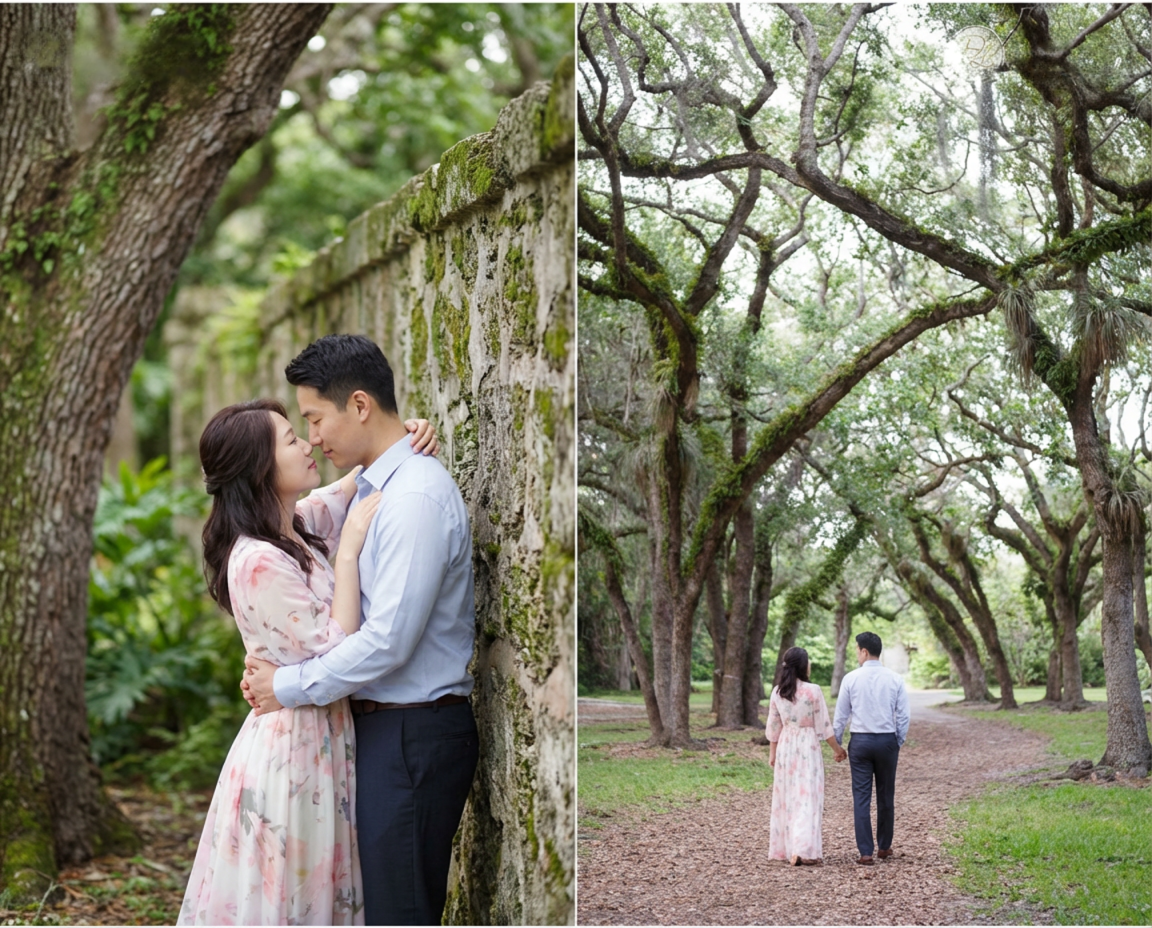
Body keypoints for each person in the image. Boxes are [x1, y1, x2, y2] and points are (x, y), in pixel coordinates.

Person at [241, 334, 480, 927]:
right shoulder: (374, 489)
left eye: (316, 419)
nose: (313, 437)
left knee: (401, 914)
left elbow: (388, 642)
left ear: (360, 405)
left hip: (412, 735)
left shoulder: (415, 499)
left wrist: (287, 686)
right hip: (382, 733)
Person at [178, 399, 437, 925]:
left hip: (322, 737)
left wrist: (407, 434)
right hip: (293, 753)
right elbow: (336, 648)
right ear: (259, 469)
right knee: (294, 896)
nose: (309, 443)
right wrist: (347, 558)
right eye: (291, 439)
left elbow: (358, 479)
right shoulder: (256, 559)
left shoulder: (294, 524)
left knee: (321, 890)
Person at [833, 631, 911, 865]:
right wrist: (898, 740)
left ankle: (865, 851)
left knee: (861, 797)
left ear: (864, 651)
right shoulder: (895, 679)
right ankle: (885, 847)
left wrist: (837, 744)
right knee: (886, 795)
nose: (857, 654)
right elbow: (904, 715)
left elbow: (841, 716)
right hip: (886, 741)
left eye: (857, 650)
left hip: (861, 742)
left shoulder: (850, 679)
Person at [766, 646, 847, 866]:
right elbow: (825, 726)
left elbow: (774, 726)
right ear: (804, 665)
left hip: (785, 746)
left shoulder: (777, 692)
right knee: (807, 796)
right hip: (806, 747)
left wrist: (772, 754)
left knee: (787, 797)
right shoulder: (813, 690)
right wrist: (838, 750)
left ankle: (786, 848)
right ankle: (803, 850)